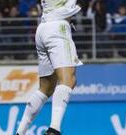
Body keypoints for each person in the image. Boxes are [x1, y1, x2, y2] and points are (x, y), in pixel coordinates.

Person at [16, 0, 83, 135]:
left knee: (46, 88)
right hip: (58, 28)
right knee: (68, 80)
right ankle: (54, 130)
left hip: (43, 28)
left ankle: (20, 132)